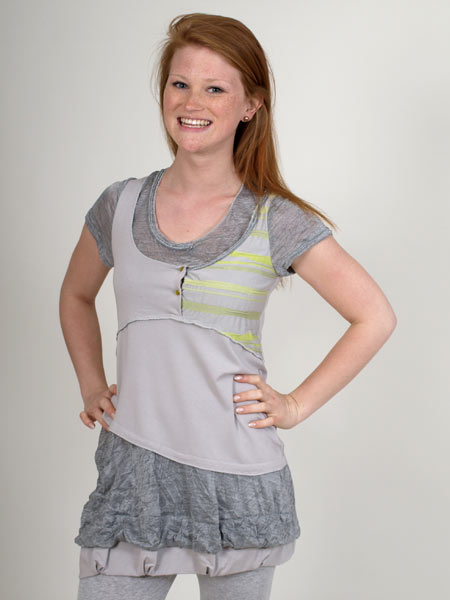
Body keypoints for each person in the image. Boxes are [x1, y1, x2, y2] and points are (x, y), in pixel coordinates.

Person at [59, 12, 397, 600]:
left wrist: (294, 405)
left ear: (250, 105)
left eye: (215, 88)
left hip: (237, 483)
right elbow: (75, 294)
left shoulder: (275, 218)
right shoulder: (120, 204)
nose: (192, 102)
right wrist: (92, 384)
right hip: (133, 478)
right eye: (180, 83)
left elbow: (375, 316)